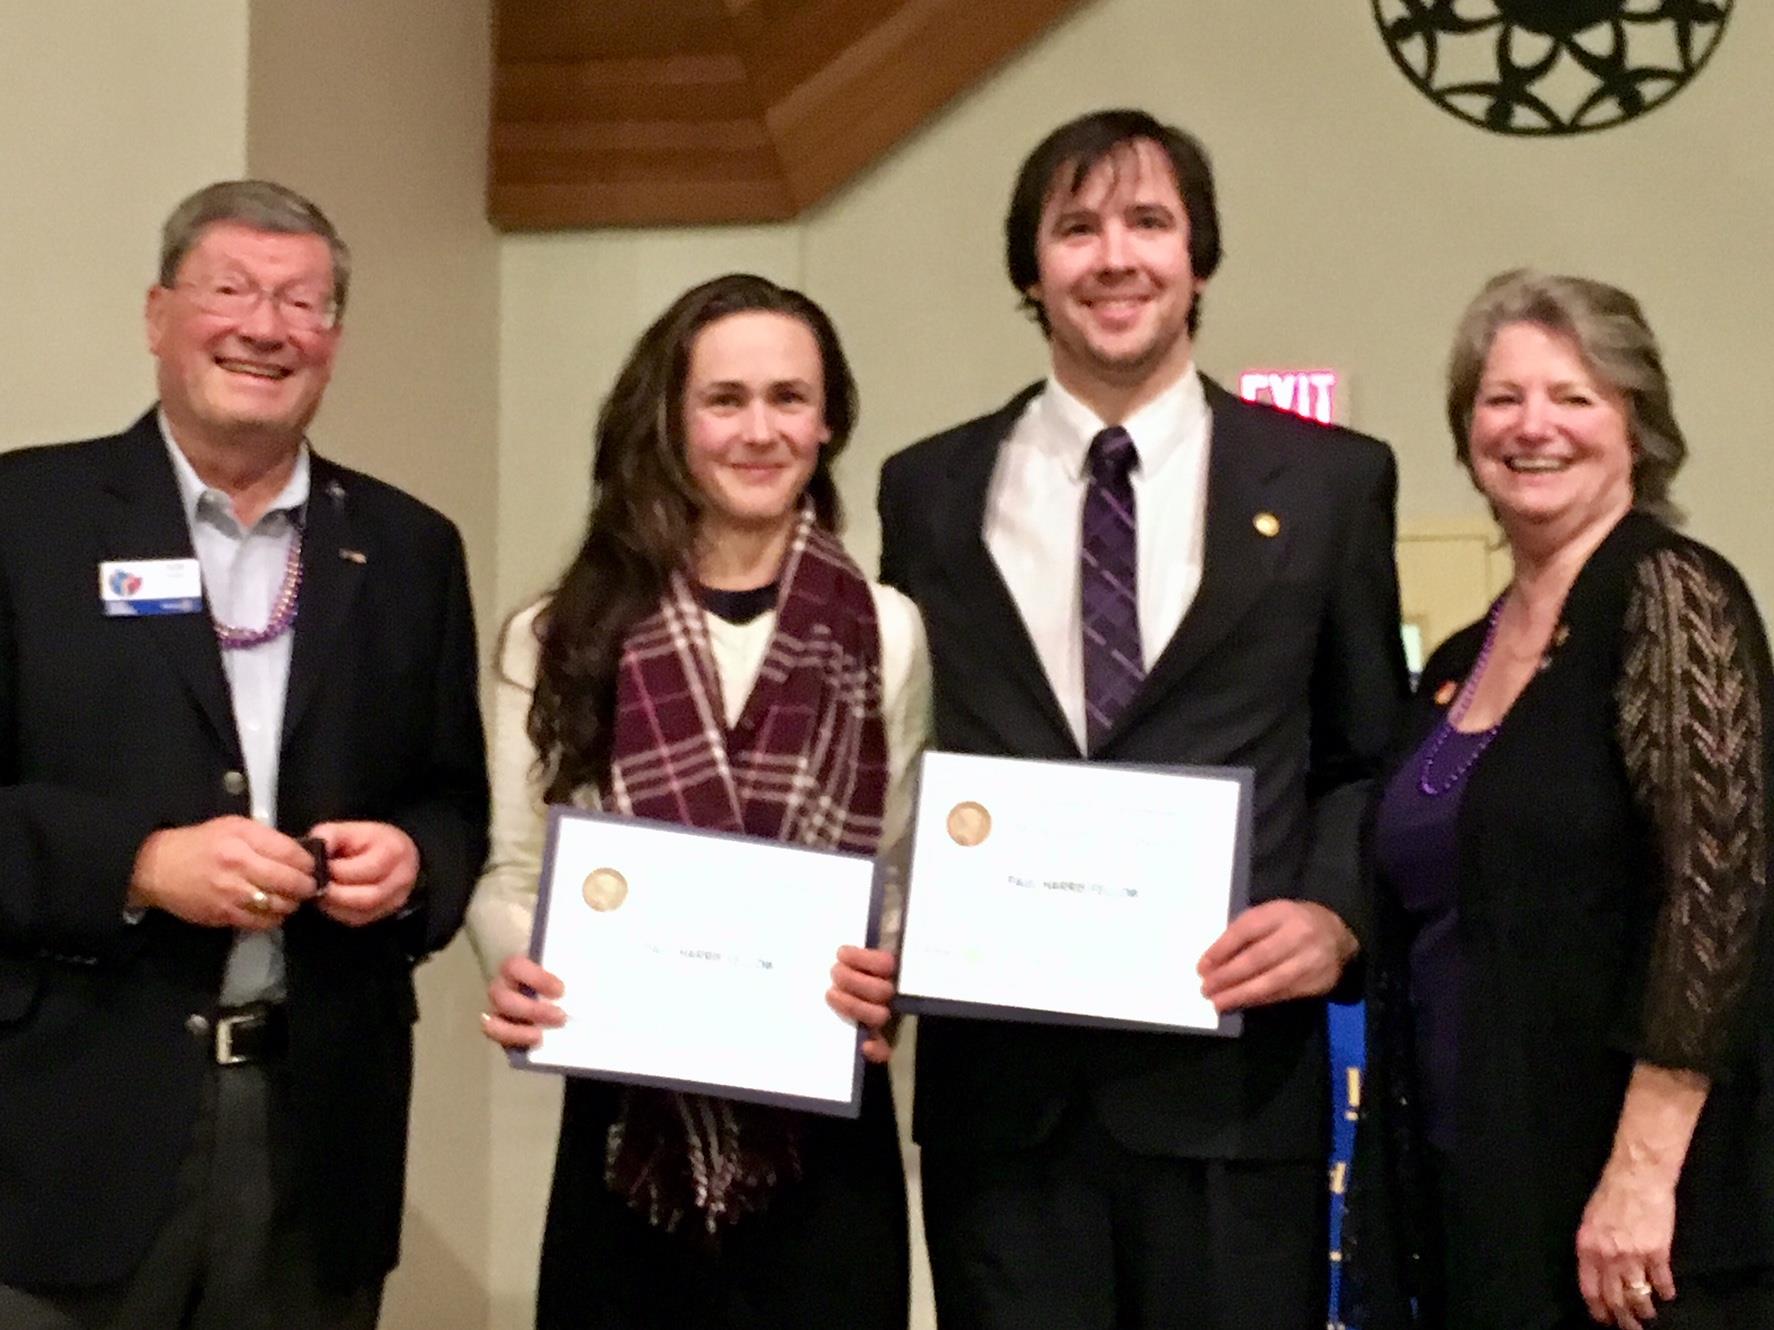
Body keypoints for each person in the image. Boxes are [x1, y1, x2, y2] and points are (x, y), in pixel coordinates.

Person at [876, 108, 1409, 1329]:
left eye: (1148, 222)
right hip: (1003, 1105)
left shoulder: (1330, 483)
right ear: (1030, 269)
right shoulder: (926, 490)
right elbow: (899, 752)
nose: (1113, 257)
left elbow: (1364, 753)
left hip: (1234, 1095)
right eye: (1076, 228)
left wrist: (1334, 914)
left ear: (1197, 258)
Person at [0, 181, 490, 1328]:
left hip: (319, 1136)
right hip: (68, 1133)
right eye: (230, 290)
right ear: (157, 313)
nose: (266, 328)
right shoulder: (26, 517)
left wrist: (415, 862)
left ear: (334, 340)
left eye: (302, 303)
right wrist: (137, 863)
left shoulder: (409, 548)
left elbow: (455, 803)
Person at [469, 273, 930, 1329]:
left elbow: (896, 876)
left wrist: (891, 969)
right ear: (670, 421)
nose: (760, 430)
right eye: (725, 400)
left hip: (826, 1126)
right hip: (623, 1129)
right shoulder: (557, 633)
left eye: (789, 398)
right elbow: (513, 873)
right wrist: (520, 970)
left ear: (829, 421)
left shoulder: (889, 630)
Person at [1341, 270, 1774, 1329]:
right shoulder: (1457, 659)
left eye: (1573, 397)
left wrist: (1640, 1176)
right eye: (1502, 398)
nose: (1533, 426)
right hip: (1474, 1179)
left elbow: (1717, 900)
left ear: (1637, 425)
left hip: (1633, 1213)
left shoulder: (1672, 595)